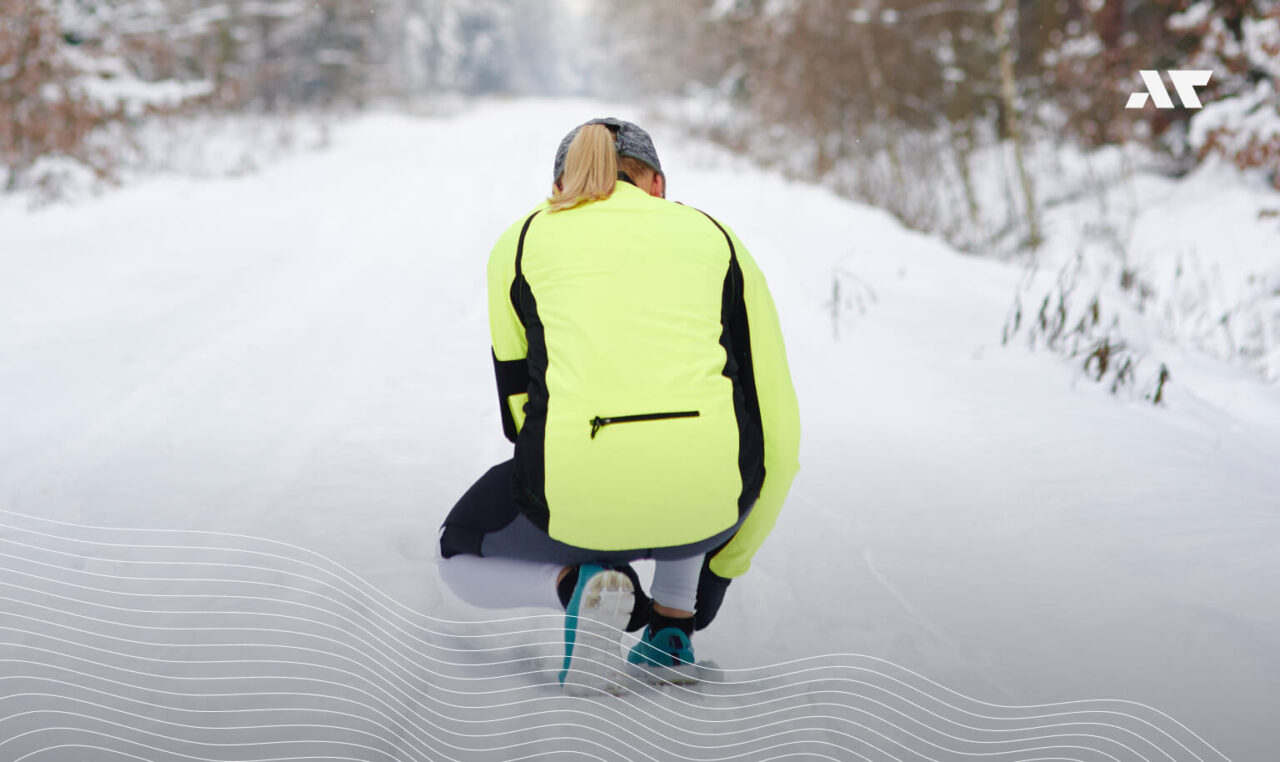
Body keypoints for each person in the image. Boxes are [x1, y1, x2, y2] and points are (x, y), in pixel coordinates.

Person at [437, 117, 800, 695]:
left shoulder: (521, 241)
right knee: (699, 427)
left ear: (560, 187)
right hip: (707, 507)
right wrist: (722, 571)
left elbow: (519, 411)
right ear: (658, 184)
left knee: (456, 552)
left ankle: (573, 585)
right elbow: (777, 428)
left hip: (575, 497)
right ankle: (673, 626)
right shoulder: (718, 239)